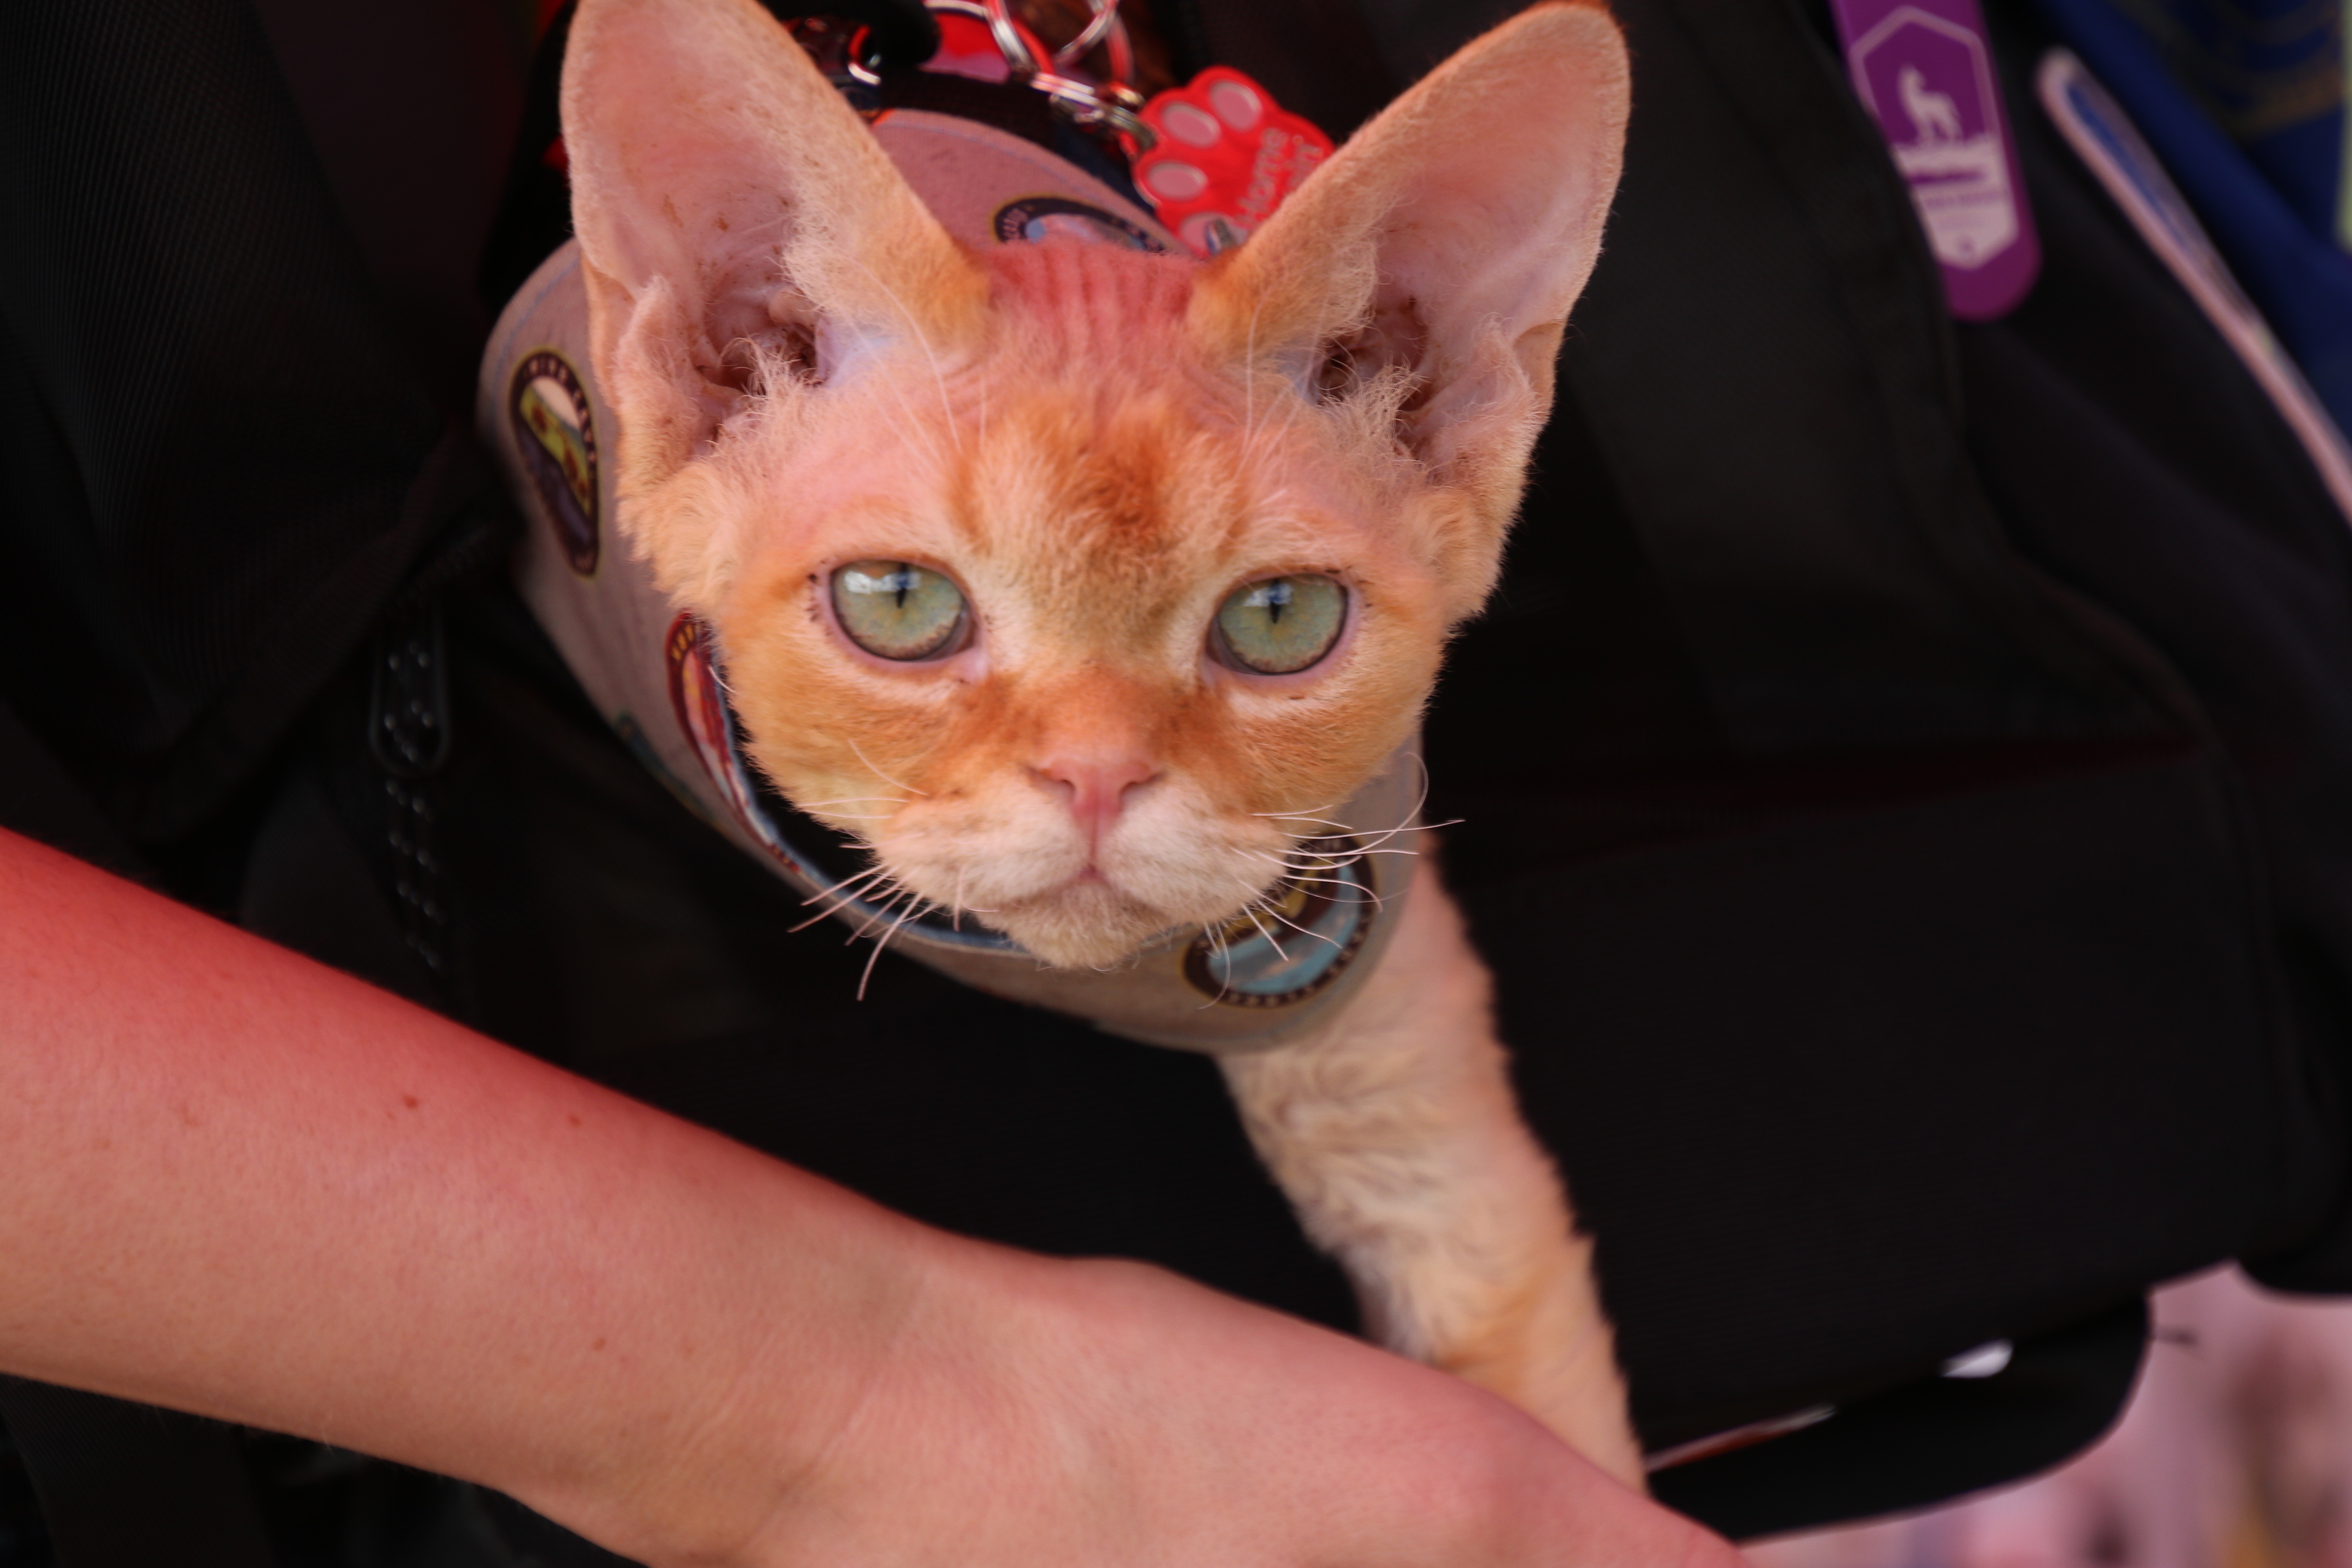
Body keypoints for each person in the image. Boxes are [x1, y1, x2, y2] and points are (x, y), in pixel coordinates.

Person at [4, 0, 2350, 1561]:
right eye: (918, 617)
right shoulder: (709, 441)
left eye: (1270, 628)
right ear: (701, 371)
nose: (1101, 785)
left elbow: (1467, 1226)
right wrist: (850, 1418)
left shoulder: (1301, 697)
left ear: (1456, 427)